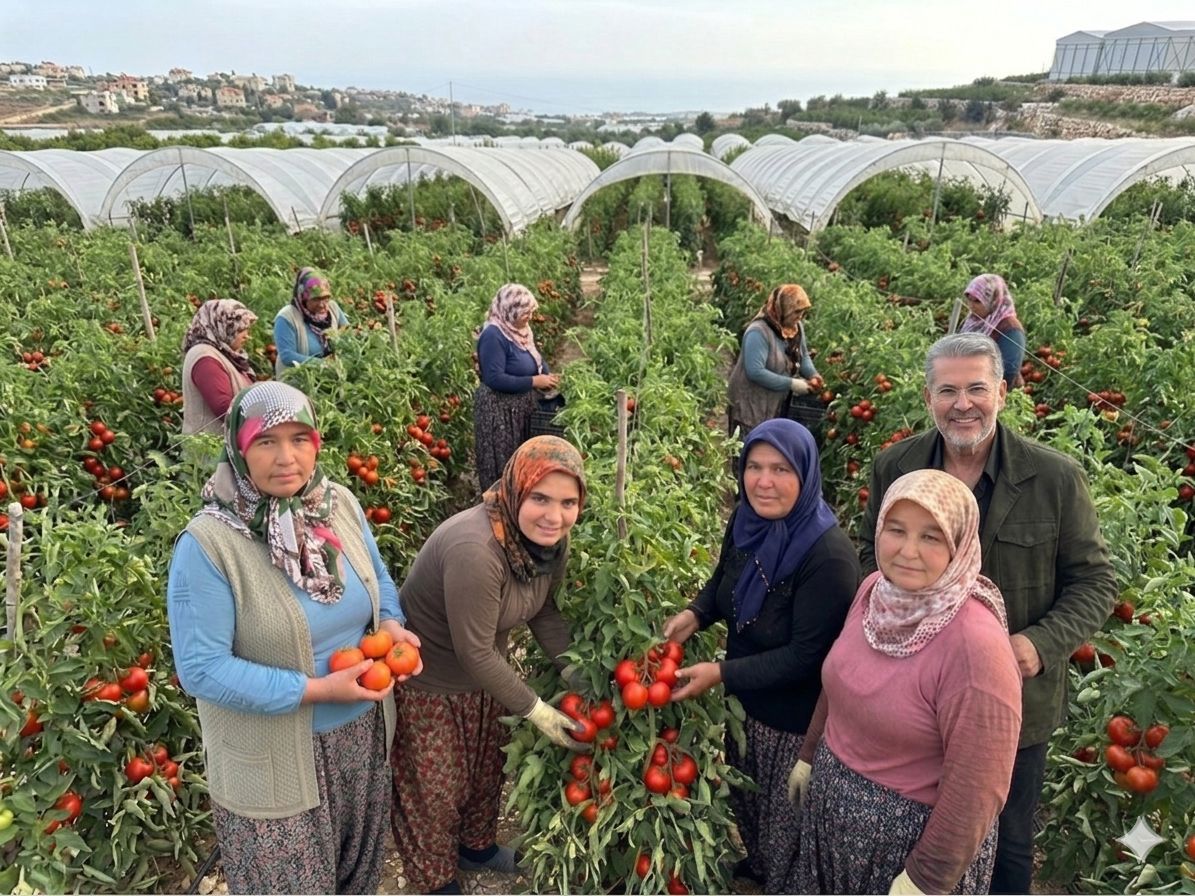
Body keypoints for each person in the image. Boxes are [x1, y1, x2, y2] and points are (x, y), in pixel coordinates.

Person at [858, 333, 1116, 895]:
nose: (963, 403)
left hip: (1013, 704)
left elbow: (1096, 581)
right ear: (929, 397)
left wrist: (1037, 645)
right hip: (911, 695)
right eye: (948, 390)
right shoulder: (895, 466)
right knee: (914, 819)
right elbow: (869, 561)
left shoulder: (1053, 478)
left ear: (1003, 390)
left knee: (1007, 836)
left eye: (977, 387)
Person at [166, 381, 422, 895]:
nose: (286, 458)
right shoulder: (209, 545)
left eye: (299, 438)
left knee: (357, 880)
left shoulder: (337, 504)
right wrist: (317, 691)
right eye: (266, 441)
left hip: (363, 741)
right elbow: (201, 668)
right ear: (239, 448)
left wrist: (392, 624)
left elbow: (379, 579)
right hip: (272, 764)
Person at [791, 469, 1023, 895]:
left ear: (959, 543)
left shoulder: (976, 645)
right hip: (832, 823)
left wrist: (925, 877)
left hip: (903, 850)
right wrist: (809, 753)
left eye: (932, 537)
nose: (908, 551)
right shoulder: (874, 592)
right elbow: (839, 678)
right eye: (896, 530)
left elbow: (978, 786)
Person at [662, 419, 859, 892]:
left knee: (784, 824)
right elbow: (723, 580)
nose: (763, 481)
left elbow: (807, 658)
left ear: (806, 475)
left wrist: (720, 672)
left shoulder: (826, 556)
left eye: (780, 469)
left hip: (793, 722)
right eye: (754, 466)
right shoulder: (746, 519)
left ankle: (782, 881)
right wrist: (696, 614)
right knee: (749, 805)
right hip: (747, 705)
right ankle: (763, 868)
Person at [389, 435, 589, 895]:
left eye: (567, 502)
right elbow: (474, 650)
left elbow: (542, 610)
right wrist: (537, 710)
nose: (554, 515)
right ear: (517, 489)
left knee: (484, 772)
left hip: (482, 677)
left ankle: (476, 848)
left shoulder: (548, 542)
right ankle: (436, 880)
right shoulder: (476, 548)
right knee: (435, 794)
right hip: (431, 686)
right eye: (540, 498)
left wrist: (577, 676)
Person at [472, 283, 559, 492]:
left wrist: (547, 376)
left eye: (531, 311)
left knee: (522, 464)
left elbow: (534, 359)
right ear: (510, 311)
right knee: (503, 465)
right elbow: (494, 378)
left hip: (519, 409)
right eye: (525, 312)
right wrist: (534, 381)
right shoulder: (493, 335)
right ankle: (499, 510)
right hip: (499, 413)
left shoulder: (521, 331)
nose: (529, 316)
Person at [727, 283, 820, 436]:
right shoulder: (758, 332)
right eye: (796, 312)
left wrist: (813, 375)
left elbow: (803, 356)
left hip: (773, 401)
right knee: (748, 447)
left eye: (803, 312)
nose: (800, 317)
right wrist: (792, 383)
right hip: (750, 402)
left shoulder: (796, 327)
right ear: (783, 309)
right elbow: (755, 372)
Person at [181, 298, 258, 435]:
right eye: (240, 329)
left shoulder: (223, 353)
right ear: (221, 326)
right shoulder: (205, 358)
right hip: (209, 451)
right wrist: (263, 419)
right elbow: (224, 407)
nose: (247, 336)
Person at [274, 266, 348, 374]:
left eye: (325, 298)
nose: (323, 305)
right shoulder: (287, 317)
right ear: (303, 298)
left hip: (330, 377)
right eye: (316, 299)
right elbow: (287, 356)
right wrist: (323, 364)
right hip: (297, 381)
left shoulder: (333, 308)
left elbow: (347, 332)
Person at [960, 273, 1025, 389]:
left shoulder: (1010, 328)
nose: (971, 306)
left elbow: (1008, 370)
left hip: (998, 392)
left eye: (977, 301)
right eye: (969, 300)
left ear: (994, 300)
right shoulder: (974, 321)